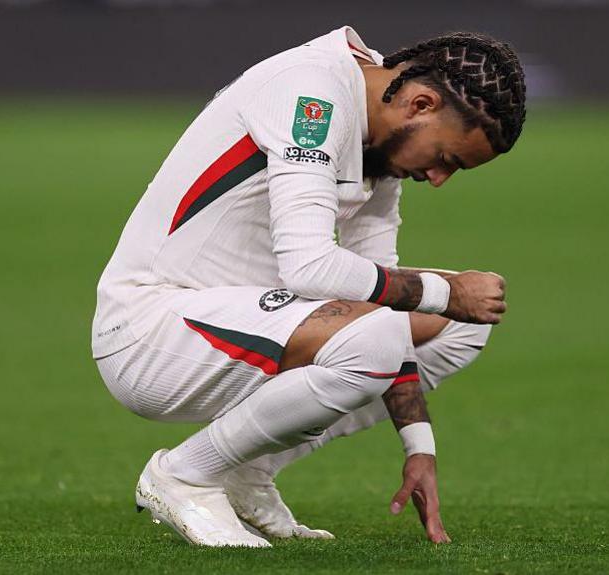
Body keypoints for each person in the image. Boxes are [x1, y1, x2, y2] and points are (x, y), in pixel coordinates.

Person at [92, 25, 526, 547]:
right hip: (150, 331)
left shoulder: (378, 128)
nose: (437, 178)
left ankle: (245, 470)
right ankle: (184, 474)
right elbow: (309, 268)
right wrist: (446, 293)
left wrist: (419, 444)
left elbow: (379, 293)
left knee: (457, 327)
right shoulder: (311, 94)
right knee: (423, 310)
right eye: (445, 158)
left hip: (248, 325)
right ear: (420, 104)